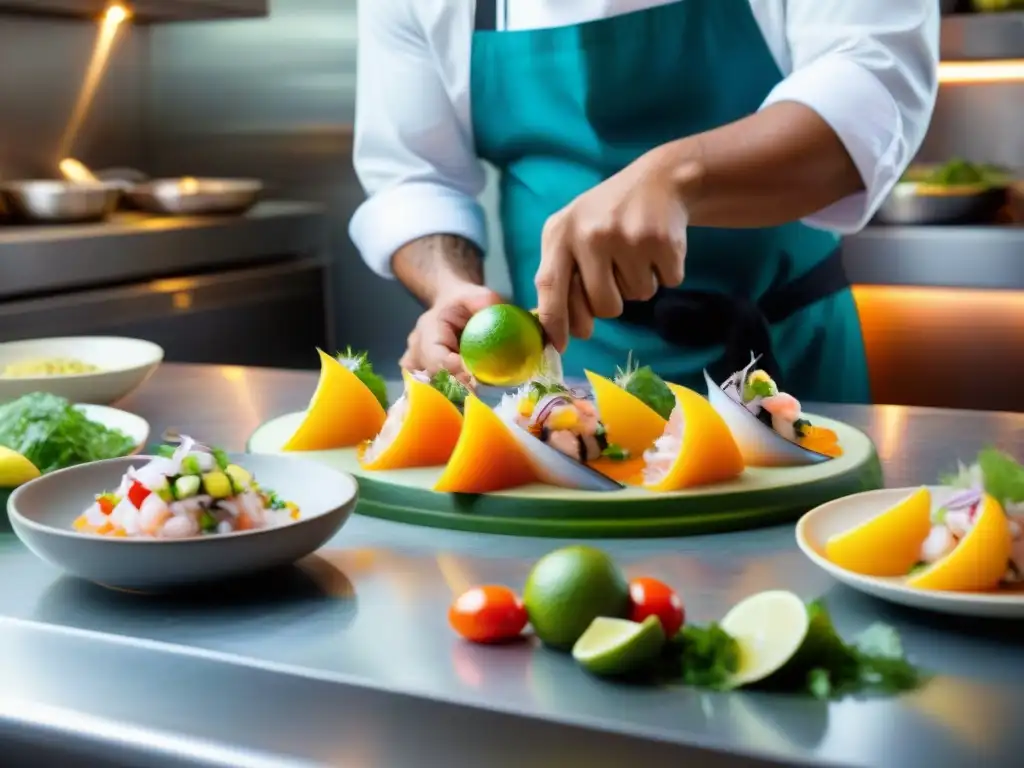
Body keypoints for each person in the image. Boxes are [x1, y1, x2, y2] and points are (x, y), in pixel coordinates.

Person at [350, 0, 939, 402]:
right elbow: (415, 178)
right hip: (563, 383)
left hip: (789, 364)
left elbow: (875, 81)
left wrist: (679, 175)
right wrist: (452, 289)